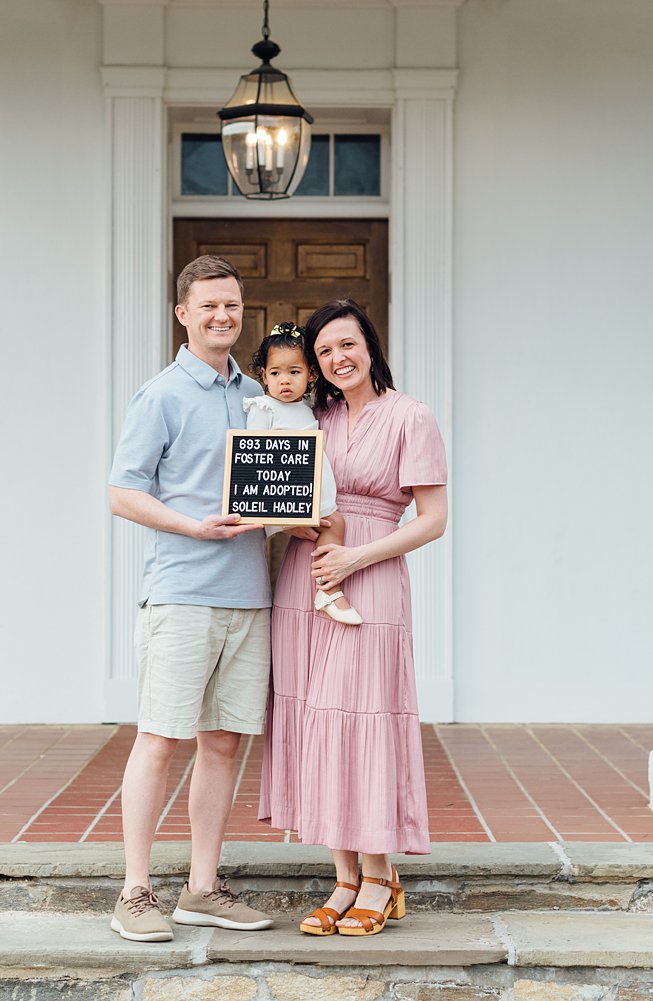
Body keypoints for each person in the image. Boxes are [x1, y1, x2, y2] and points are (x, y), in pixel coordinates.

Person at [257, 298, 448, 938]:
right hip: (306, 575)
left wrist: (356, 557)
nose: (338, 358)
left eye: (347, 344)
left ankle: (380, 876)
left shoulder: (411, 415)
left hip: (372, 573)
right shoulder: (313, 417)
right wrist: (288, 521)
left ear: (369, 345)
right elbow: (287, 491)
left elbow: (433, 520)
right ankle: (343, 879)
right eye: (324, 351)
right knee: (317, 717)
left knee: (365, 716)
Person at [106, 254, 276, 943]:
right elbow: (122, 492)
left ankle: (203, 888)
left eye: (231, 305)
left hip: (249, 596)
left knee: (224, 744)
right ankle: (135, 890)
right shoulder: (161, 395)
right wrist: (191, 525)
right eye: (208, 306)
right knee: (159, 739)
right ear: (183, 313)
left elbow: (277, 488)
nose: (221, 316)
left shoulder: (260, 396)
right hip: (181, 595)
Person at [243, 321, 361, 627]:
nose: (284, 380)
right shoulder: (263, 407)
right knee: (336, 523)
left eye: (294, 372)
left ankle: (325, 589)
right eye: (275, 373)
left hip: (311, 488)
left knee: (331, 526)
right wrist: (281, 516)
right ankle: (329, 590)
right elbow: (253, 457)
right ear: (264, 376)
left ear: (311, 374)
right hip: (284, 491)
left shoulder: (309, 406)